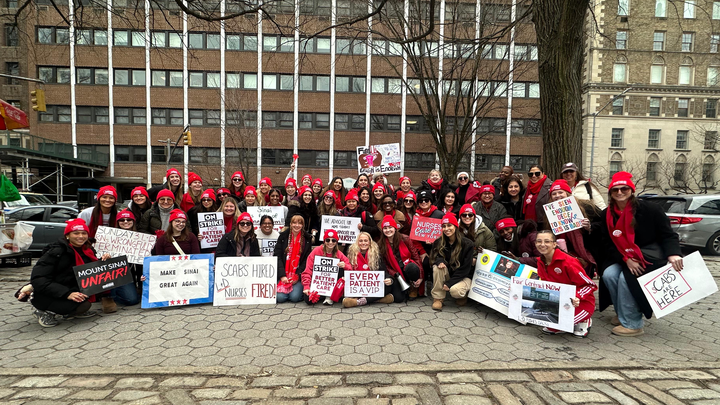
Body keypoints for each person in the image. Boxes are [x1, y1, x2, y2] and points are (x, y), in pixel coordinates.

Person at [598, 171, 683, 337]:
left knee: (626, 278)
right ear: (610, 193)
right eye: (615, 190)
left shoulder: (651, 209)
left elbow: (668, 234)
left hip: (648, 256)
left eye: (624, 189)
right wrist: (626, 259)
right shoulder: (606, 214)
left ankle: (633, 324)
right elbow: (607, 243)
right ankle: (623, 313)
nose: (620, 192)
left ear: (632, 191)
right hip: (622, 256)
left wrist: (673, 254)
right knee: (609, 275)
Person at [30, 218, 108, 327]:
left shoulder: (88, 250)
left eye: (84, 233)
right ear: (67, 235)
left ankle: (70, 312)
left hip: (71, 286)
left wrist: (104, 260)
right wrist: (67, 294)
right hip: (51, 292)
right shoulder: (56, 252)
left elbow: (91, 269)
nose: (80, 236)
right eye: (76, 233)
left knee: (84, 304)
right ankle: (45, 312)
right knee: (78, 304)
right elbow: (39, 278)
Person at [535, 230, 597, 338]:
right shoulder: (541, 261)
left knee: (559, 322)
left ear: (554, 244)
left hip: (580, 302)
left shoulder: (569, 262)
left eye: (547, 241)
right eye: (539, 241)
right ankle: (563, 323)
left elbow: (590, 285)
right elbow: (544, 284)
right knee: (550, 325)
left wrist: (577, 297)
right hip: (558, 299)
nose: (542, 244)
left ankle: (584, 320)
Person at [548, 180, 597, 277]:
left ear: (568, 193)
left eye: (560, 192)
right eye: (554, 194)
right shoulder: (549, 212)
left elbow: (600, 223)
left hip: (583, 251)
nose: (557, 196)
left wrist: (590, 226)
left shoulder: (586, 206)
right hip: (561, 252)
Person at [429, 213, 475, 311]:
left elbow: (466, 268)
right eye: (444, 226)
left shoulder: (467, 244)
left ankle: (463, 295)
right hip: (449, 273)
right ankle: (438, 298)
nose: (446, 229)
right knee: (437, 267)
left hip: (464, 276)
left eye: (449, 225)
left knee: (455, 291)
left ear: (455, 226)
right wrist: (440, 261)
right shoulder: (438, 242)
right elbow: (435, 257)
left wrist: (450, 283)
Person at [342, 232, 396, 307]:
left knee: (388, 285)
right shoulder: (351, 253)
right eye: (361, 241)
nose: (363, 243)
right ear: (357, 242)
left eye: (365, 241)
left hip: (371, 286)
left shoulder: (376, 254)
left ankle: (358, 302)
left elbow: (383, 271)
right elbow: (347, 269)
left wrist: (389, 279)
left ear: (370, 242)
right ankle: (378, 299)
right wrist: (345, 277)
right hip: (358, 285)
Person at [378, 215, 425, 301]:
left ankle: (413, 286)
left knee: (412, 267)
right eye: (385, 228)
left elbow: (416, 257)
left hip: (408, 267)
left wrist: (421, 276)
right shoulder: (381, 244)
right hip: (395, 272)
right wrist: (394, 273)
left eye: (390, 227)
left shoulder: (405, 239)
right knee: (399, 298)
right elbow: (385, 264)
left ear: (395, 228)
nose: (388, 230)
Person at [301, 229, 351, 305]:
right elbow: (308, 270)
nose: (330, 242)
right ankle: (324, 294)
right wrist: (306, 286)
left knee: (341, 268)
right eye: (328, 240)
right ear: (324, 241)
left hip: (331, 282)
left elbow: (350, 268)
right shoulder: (316, 251)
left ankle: (329, 294)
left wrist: (345, 266)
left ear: (336, 242)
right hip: (318, 282)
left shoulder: (339, 253)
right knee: (308, 300)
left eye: (333, 240)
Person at [274, 214, 313, 303]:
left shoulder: (307, 239)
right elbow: (277, 256)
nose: (297, 225)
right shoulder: (283, 236)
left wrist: (297, 276)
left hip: (297, 274)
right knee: (280, 298)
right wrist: (282, 275)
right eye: (294, 223)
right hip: (284, 273)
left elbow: (306, 260)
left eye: (300, 223)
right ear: (290, 224)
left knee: (294, 298)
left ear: (303, 225)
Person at [111, 210, 143, 307]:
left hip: (135, 272)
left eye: (129, 219)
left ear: (133, 221)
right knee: (132, 300)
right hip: (119, 274)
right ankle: (109, 296)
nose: (125, 222)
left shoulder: (142, 237)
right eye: (122, 220)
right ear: (117, 222)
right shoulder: (110, 237)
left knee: (134, 298)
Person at [522, 164, 552, 229]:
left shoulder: (551, 187)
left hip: (543, 225)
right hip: (528, 224)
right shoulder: (527, 188)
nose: (534, 176)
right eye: (531, 174)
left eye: (537, 173)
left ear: (543, 174)